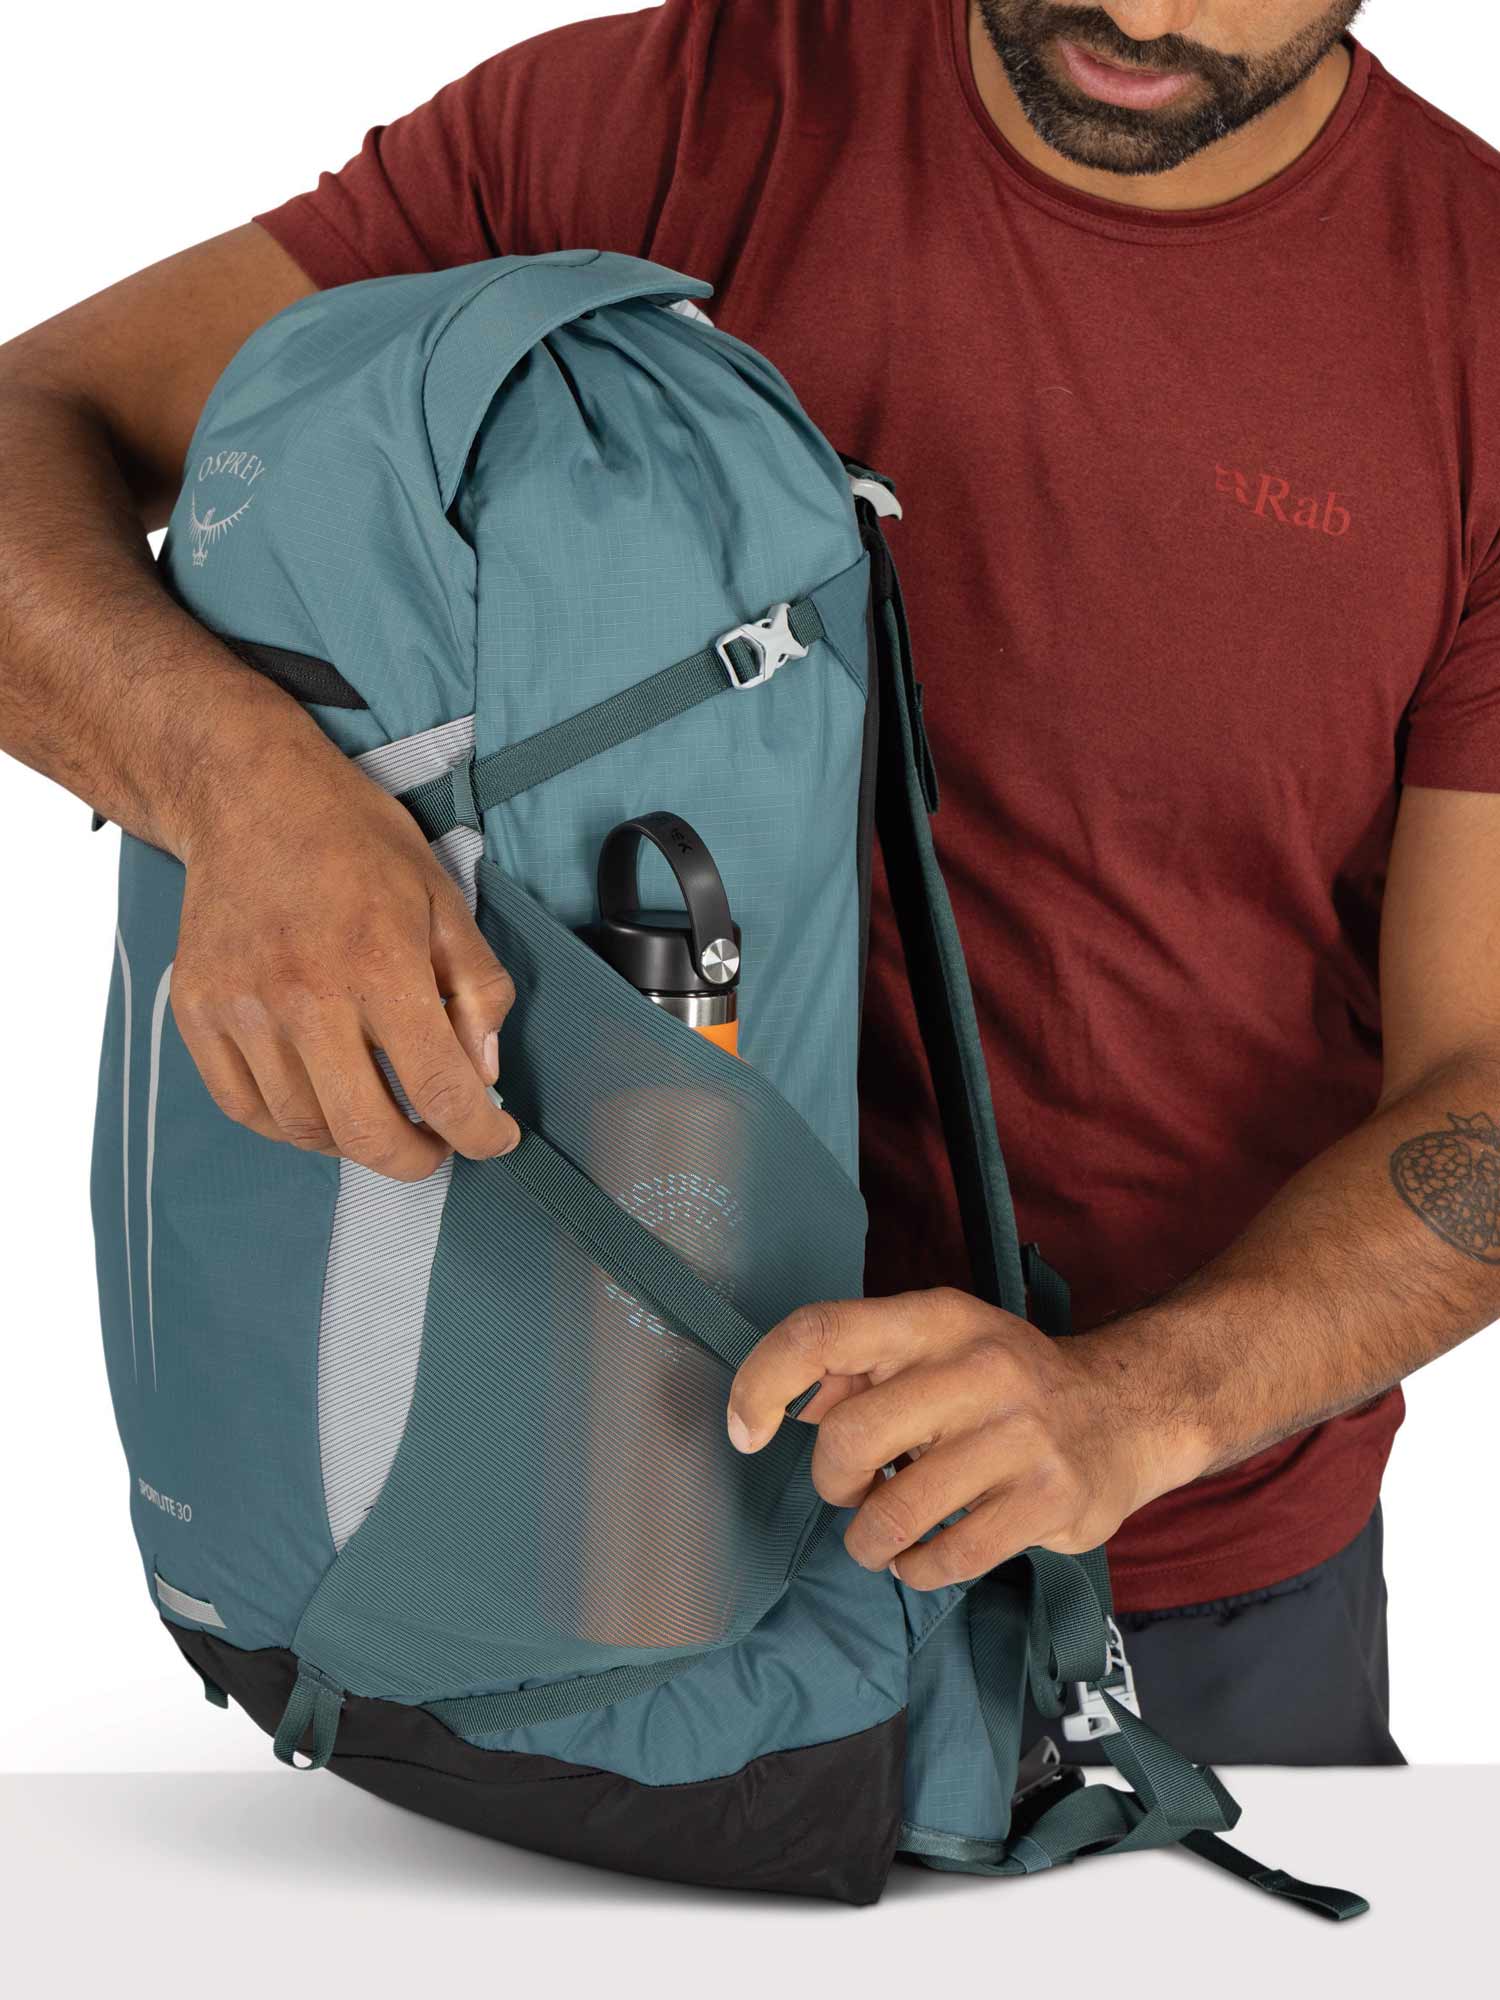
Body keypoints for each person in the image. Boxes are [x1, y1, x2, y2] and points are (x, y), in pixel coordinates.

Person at [4, 0, 1498, 1767]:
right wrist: (240, 794)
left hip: (1159, 1584)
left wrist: (1144, 1402)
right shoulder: (659, 116)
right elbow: (31, 420)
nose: (1153, 10)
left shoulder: (1470, 315)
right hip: (547, 1539)